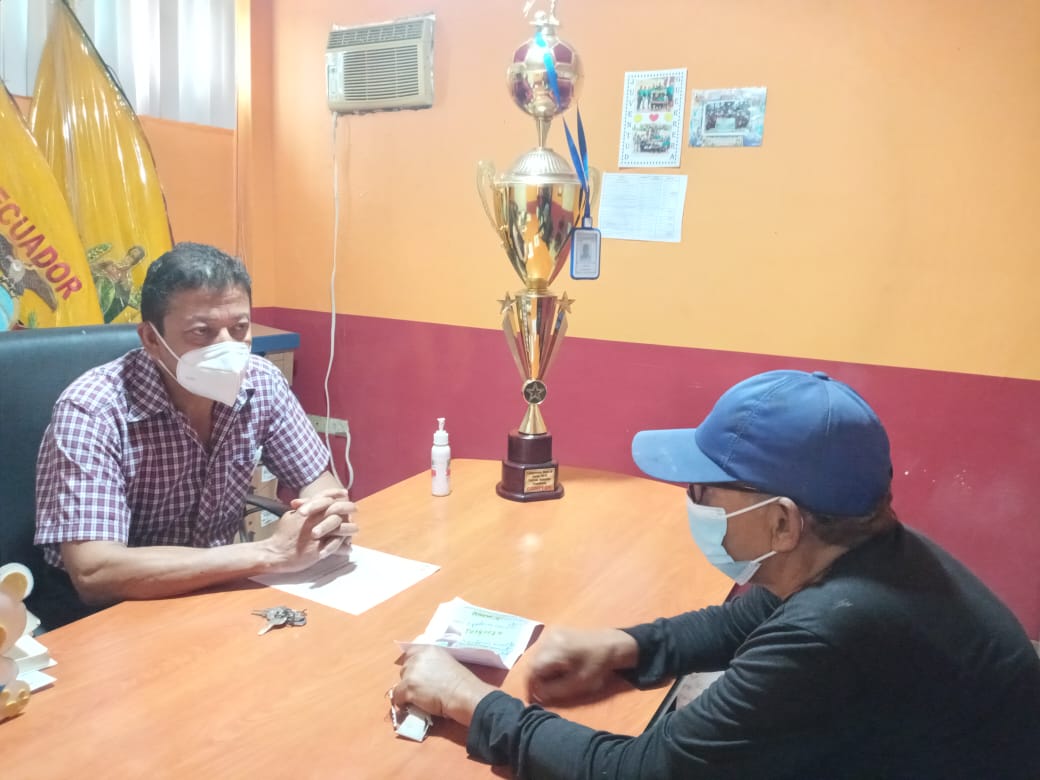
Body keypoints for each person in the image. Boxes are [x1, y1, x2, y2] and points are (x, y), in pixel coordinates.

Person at [395, 369, 1040, 778]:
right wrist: (625, 647)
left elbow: (641, 773)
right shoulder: (865, 550)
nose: (693, 503)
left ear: (782, 523)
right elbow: (747, 618)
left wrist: (468, 700)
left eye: (705, 491)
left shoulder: (831, 634)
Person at [34, 242, 356, 620]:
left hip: (210, 587)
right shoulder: (93, 409)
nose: (229, 347)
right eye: (202, 332)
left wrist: (323, 515)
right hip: (109, 611)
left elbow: (317, 479)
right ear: (151, 339)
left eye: (240, 328)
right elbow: (95, 572)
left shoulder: (262, 381)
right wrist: (269, 552)